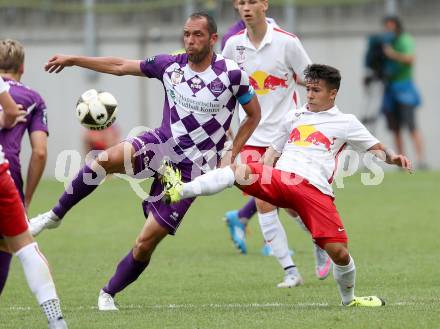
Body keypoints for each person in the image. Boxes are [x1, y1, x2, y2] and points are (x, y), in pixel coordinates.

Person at [29, 12, 261, 311]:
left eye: (198, 35)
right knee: (103, 160)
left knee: (145, 243)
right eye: (187, 34)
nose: (190, 40)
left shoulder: (232, 74)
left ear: (213, 39)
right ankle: (54, 215)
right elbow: (121, 66)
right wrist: (74, 59)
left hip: (194, 170)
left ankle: (108, 292)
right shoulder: (171, 65)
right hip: (161, 146)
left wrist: (230, 153)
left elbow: (253, 115)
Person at [161, 64, 413, 307]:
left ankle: (350, 301)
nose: (310, 95)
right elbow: (272, 152)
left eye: (317, 90)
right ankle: (179, 189)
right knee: (238, 171)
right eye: (309, 89)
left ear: (332, 93)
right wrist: (262, 172)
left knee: (340, 253)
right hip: (283, 180)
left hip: (315, 191)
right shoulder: (294, 116)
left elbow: (377, 148)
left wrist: (394, 158)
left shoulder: (346, 122)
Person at [222, 0, 332, 287]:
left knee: (294, 205)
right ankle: (291, 271)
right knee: (263, 202)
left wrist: (316, 125)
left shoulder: (287, 43)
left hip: (286, 137)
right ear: (236, 6)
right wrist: (225, 132)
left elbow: (312, 81)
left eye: (252, 1)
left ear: (264, 5)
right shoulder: (233, 46)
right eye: (241, 2)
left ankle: (320, 243)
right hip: (252, 137)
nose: (246, 7)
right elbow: (222, 88)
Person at [0, 76, 68, 329]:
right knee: (26, 248)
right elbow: (9, 113)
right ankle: (56, 320)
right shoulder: (31, 97)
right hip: (2, 175)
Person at [0, 38, 49, 295]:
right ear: (22, 67)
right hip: (6, 173)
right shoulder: (32, 98)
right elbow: (39, 152)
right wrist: (26, 199)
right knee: (9, 245)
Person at [381, 16, 426, 169]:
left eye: (391, 26)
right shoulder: (385, 42)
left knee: (412, 127)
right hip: (390, 90)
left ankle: (420, 162)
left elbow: (410, 58)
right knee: (396, 129)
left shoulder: (404, 40)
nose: (389, 30)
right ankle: (402, 163)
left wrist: (392, 54)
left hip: (405, 90)